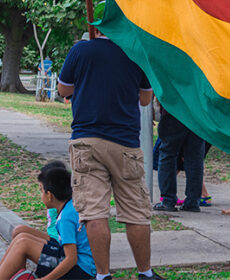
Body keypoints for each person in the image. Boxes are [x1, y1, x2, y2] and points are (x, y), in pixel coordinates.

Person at [58, 28, 162, 280]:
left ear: (97, 27)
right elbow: (146, 99)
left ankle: (103, 275)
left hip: (86, 141)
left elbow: (63, 90)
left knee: (94, 212)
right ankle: (145, 272)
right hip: (124, 142)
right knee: (136, 212)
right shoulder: (136, 53)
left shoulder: (80, 51)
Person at [0, 163, 95, 280]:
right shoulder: (70, 205)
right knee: (22, 237)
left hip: (79, 271)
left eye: (41, 190)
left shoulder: (65, 218)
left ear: (49, 195)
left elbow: (71, 259)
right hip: (78, 263)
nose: (41, 195)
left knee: (23, 243)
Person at [152, 101, 205, 213]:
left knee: (168, 154)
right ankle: (193, 202)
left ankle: (168, 200)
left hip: (173, 109)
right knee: (195, 158)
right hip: (197, 111)